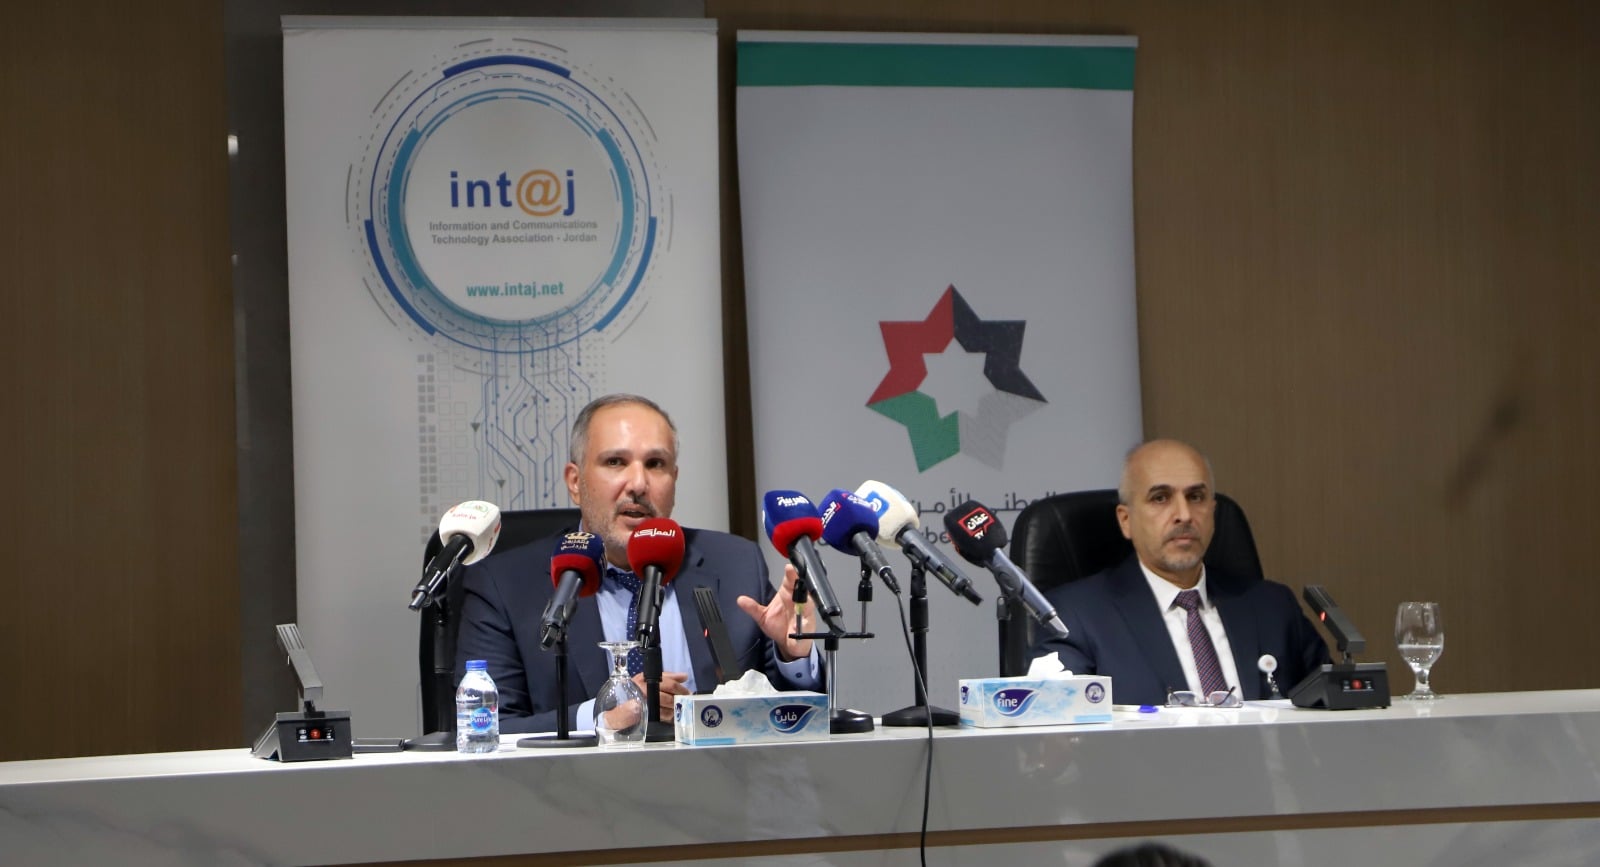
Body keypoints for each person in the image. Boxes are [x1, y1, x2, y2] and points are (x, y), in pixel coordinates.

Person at [456, 394, 822, 734]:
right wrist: (604, 717)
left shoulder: (734, 564)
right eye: (615, 462)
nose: (638, 483)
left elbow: (791, 717)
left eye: (655, 464)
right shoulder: (505, 584)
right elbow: (483, 726)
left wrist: (794, 654)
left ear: (674, 479)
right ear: (575, 482)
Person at [1031, 439, 1328, 706]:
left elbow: (1331, 709)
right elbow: (1062, 731)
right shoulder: (1074, 618)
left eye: (1196, 497)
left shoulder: (1273, 607)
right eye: (1160, 498)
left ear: (1212, 512)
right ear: (1126, 520)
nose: (1184, 515)